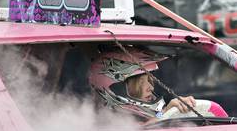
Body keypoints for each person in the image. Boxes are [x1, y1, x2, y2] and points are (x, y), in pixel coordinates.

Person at [89, 47, 228, 122]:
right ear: (117, 88)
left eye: (150, 80)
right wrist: (168, 111)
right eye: (141, 82)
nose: (151, 87)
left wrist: (167, 111)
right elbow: (142, 130)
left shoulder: (146, 119)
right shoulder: (105, 126)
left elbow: (153, 120)